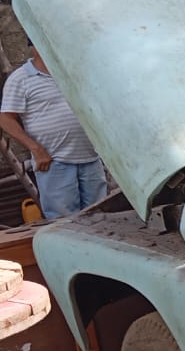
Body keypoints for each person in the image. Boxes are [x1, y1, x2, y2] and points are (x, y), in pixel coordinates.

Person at [0, 41, 108, 219]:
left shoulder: (73, 72)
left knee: (101, 218)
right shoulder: (21, 78)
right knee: (66, 222)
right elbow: (5, 118)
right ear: (33, 48)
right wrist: (36, 149)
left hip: (90, 157)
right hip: (53, 160)